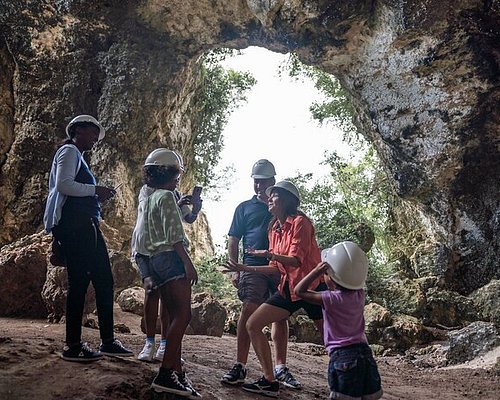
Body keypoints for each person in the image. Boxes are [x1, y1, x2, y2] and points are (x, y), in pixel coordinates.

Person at [43, 114, 133, 362]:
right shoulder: (69, 151)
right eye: (93, 133)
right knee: (81, 284)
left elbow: (70, 189)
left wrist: (95, 196)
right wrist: (96, 190)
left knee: (103, 280)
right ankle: (73, 346)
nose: (96, 139)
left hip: (84, 225)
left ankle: (107, 341)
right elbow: (63, 185)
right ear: (79, 130)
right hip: (76, 226)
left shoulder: (76, 156)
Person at [223, 180, 325, 397]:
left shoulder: (301, 223)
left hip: (311, 288)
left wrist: (268, 255)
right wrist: (243, 267)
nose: (269, 199)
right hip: (289, 289)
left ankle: (352, 377)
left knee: (331, 337)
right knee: (253, 324)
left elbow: (296, 260)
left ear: (287, 201)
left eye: (274, 195)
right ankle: (269, 380)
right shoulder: (273, 228)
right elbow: (274, 268)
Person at [221, 160, 301, 390]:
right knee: (249, 307)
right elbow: (233, 239)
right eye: (256, 181)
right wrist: (235, 269)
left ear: (272, 182)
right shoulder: (244, 208)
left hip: (279, 268)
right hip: (252, 266)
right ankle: (240, 365)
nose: (258, 185)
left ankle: (280, 368)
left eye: (263, 181)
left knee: (280, 315)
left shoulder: (282, 208)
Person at [139, 148, 201, 398]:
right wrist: (187, 263)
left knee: (174, 315)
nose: (178, 178)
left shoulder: (151, 197)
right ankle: (166, 373)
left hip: (154, 260)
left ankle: (177, 372)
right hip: (170, 259)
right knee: (182, 315)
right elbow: (175, 235)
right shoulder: (166, 197)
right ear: (167, 172)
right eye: (176, 173)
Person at [294, 241, 383, 400]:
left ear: (333, 278)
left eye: (326, 274)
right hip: (365, 354)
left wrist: (316, 271)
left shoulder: (330, 299)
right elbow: (354, 276)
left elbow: (299, 290)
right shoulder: (360, 296)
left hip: (343, 356)